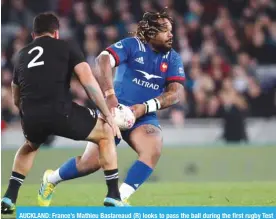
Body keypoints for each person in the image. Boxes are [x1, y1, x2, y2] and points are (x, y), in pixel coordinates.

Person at [39, 8, 185, 205]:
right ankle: (51, 179)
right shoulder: (133, 45)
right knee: (90, 164)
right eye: (165, 30)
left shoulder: (173, 57)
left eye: (171, 30)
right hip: (114, 111)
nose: (171, 35)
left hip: (144, 115)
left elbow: (175, 93)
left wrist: (145, 107)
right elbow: (103, 59)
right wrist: (109, 95)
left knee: (153, 147)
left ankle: (118, 198)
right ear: (151, 34)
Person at [1, 12, 127, 214]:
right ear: (56, 33)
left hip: (31, 114)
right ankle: (113, 195)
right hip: (60, 110)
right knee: (105, 133)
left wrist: (26, 115)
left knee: (30, 146)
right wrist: (108, 115)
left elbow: (16, 96)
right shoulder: (66, 46)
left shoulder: (22, 54)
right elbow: (88, 83)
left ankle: (9, 196)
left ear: (34, 35)